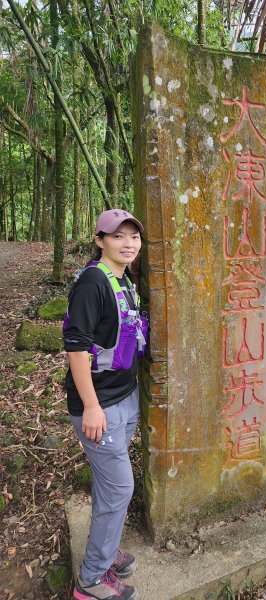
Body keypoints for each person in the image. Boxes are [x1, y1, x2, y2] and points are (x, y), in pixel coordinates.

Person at [63, 209, 148, 600]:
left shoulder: (123, 278)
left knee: (108, 485)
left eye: (133, 237)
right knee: (119, 489)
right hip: (100, 407)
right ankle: (92, 579)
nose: (128, 243)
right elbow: (76, 348)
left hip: (124, 396)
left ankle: (107, 550)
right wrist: (92, 406)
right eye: (118, 237)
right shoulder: (92, 283)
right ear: (100, 240)